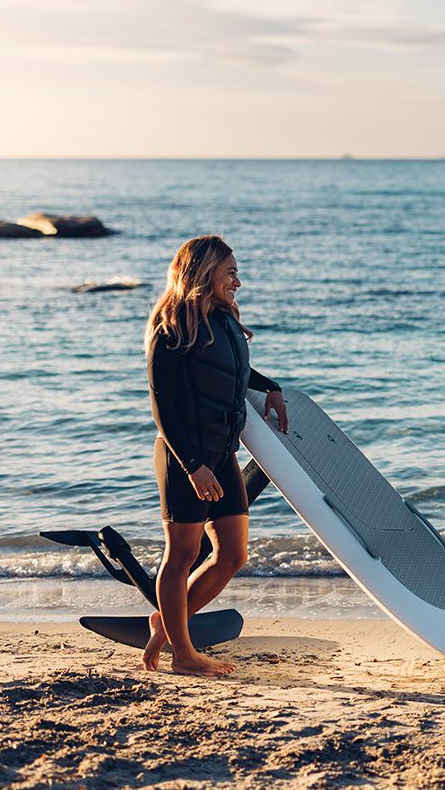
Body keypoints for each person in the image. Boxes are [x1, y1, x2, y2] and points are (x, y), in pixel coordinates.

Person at [141, 235, 288, 676]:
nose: (238, 282)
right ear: (204, 274)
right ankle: (184, 656)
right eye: (230, 273)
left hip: (222, 451)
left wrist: (271, 387)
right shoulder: (169, 328)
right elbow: (161, 406)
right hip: (185, 457)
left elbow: (233, 371)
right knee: (183, 553)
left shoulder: (222, 320)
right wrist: (192, 466)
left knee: (233, 555)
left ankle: (165, 625)